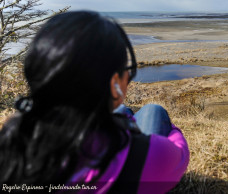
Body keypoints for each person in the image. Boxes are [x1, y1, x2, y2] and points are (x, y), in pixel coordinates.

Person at [0, 11, 189, 193]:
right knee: (153, 111)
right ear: (114, 84)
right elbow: (180, 154)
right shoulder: (144, 156)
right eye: (127, 70)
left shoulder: (12, 139)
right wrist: (171, 130)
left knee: (122, 110)